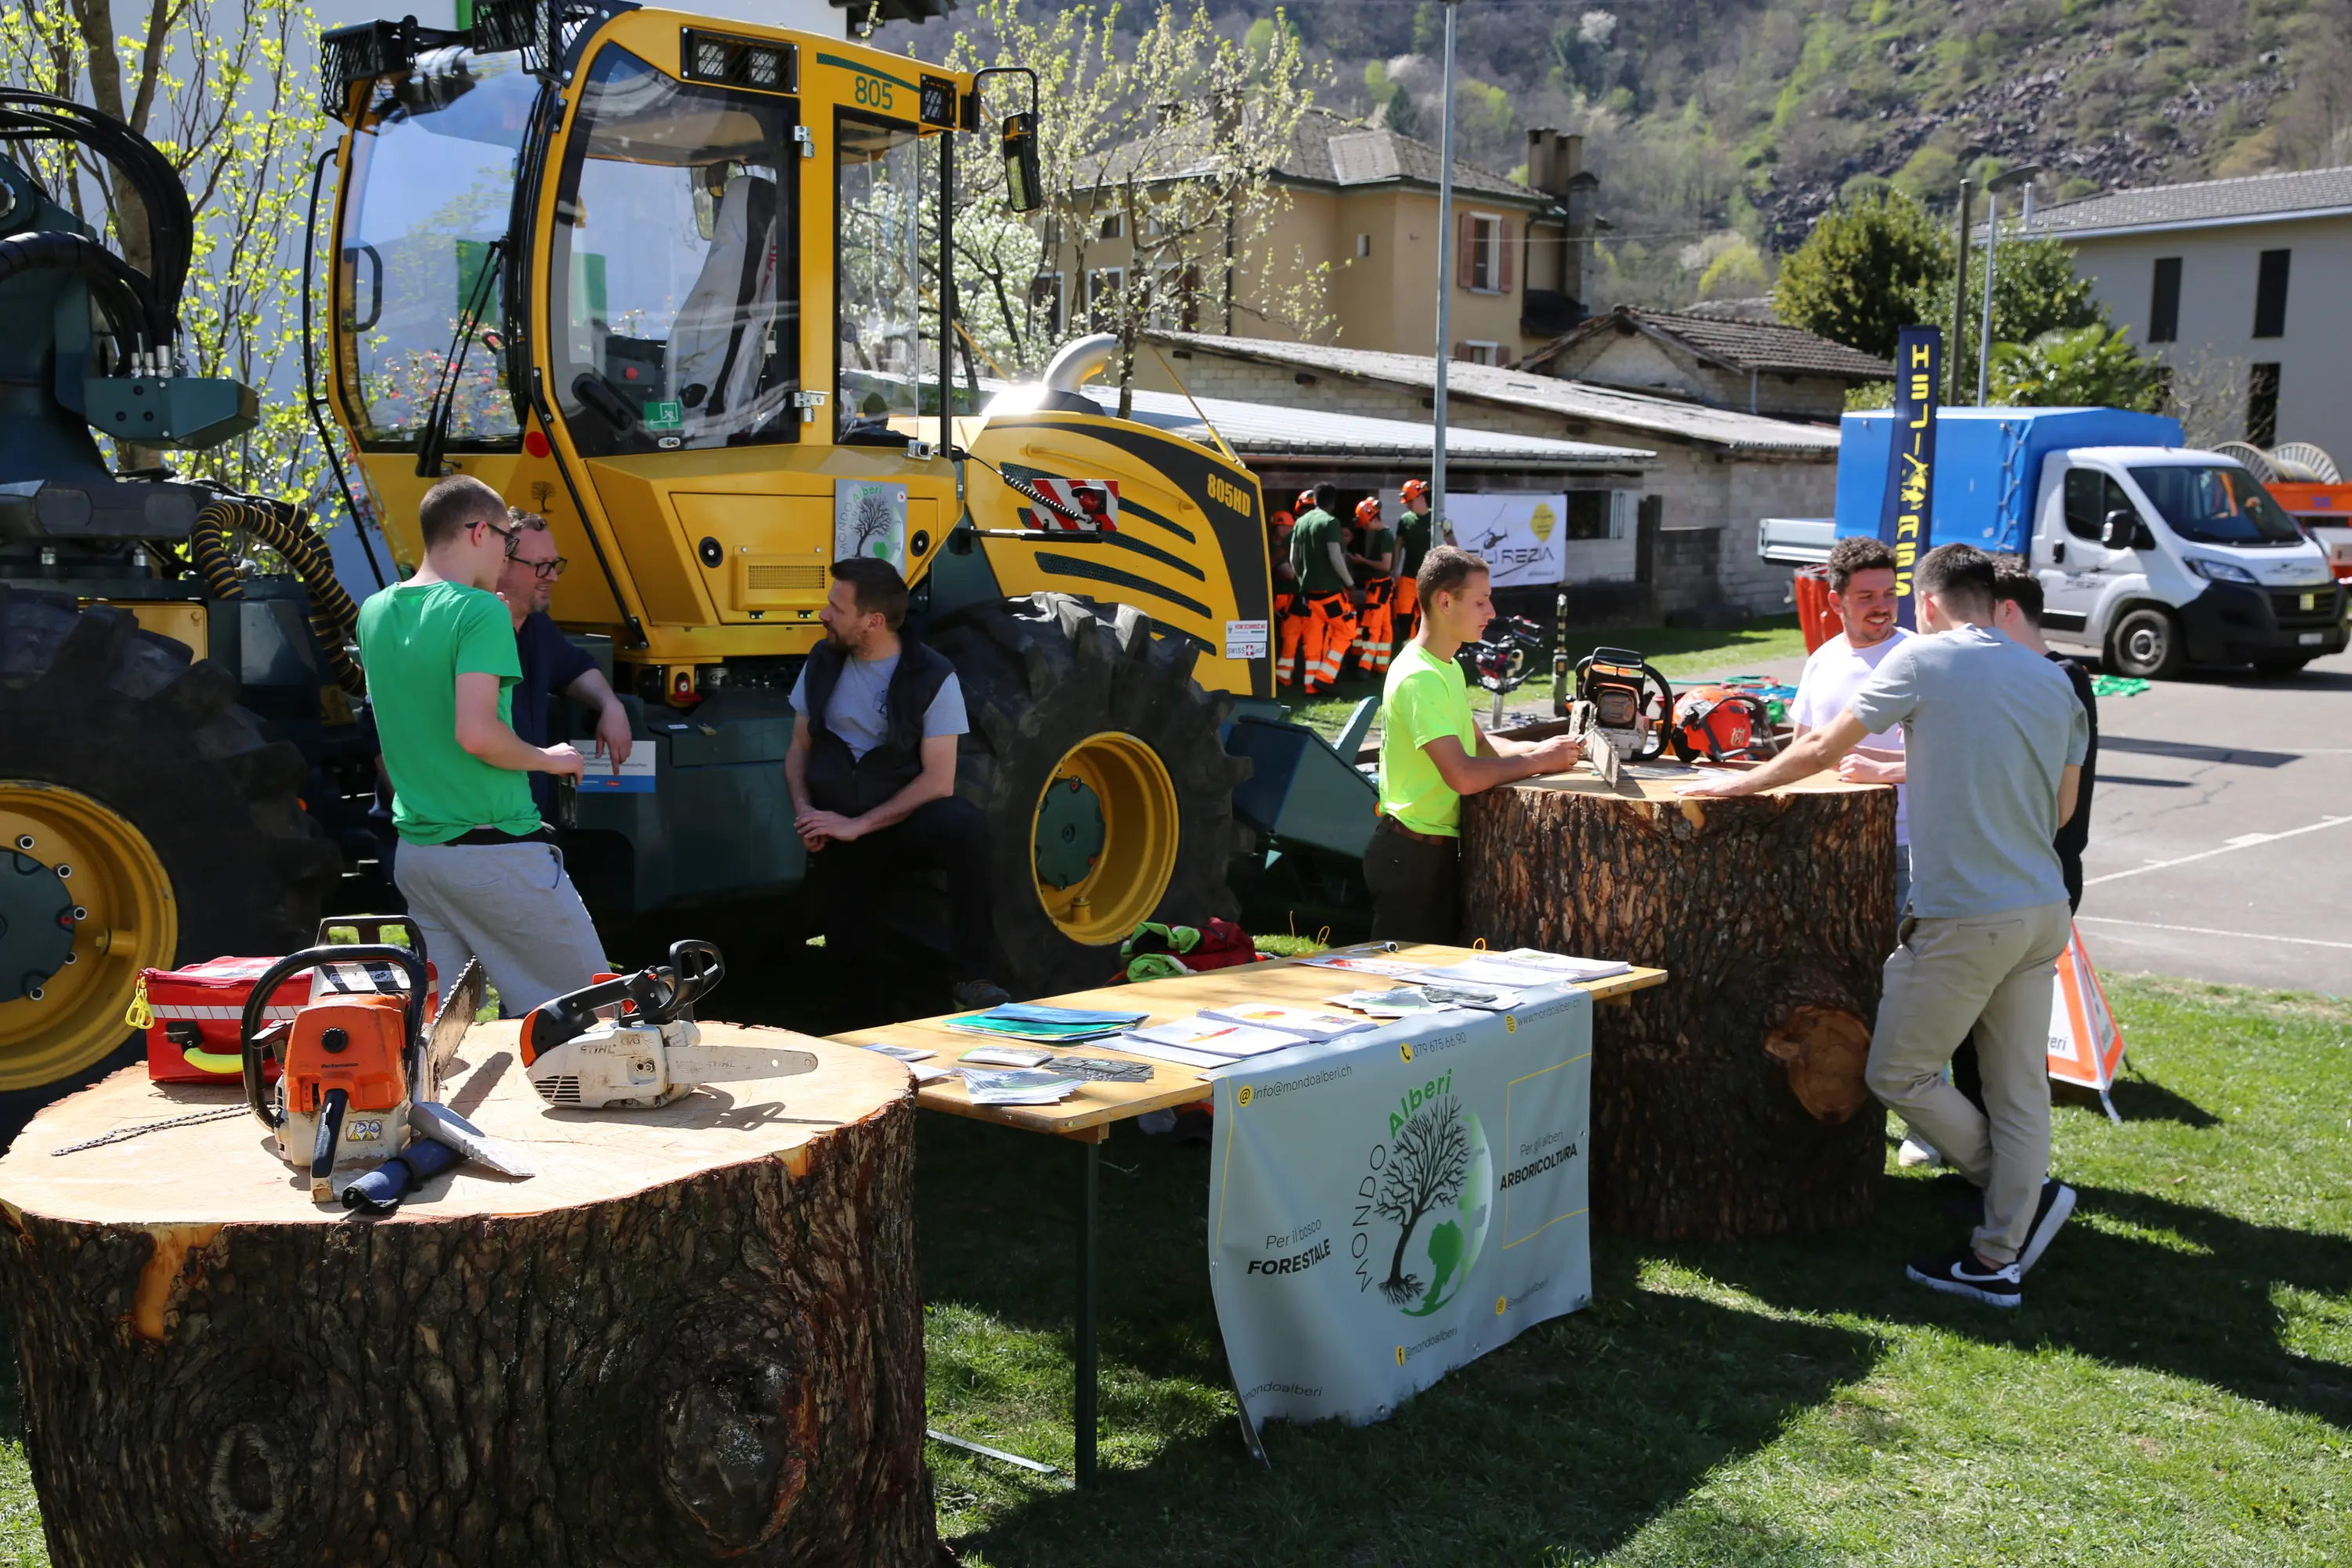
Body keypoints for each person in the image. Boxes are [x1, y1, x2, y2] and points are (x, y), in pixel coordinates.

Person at [1681, 543, 2087, 1308]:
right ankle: (2001, 1249)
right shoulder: (2053, 679)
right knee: (2019, 1089)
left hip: (1966, 913)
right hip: (2042, 909)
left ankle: (2013, 1203)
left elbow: (1820, 747)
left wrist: (1739, 784)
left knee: (1896, 1073)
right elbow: (2061, 811)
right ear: (1990, 600)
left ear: (1928, 604)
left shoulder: (1923, 662)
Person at [357, 474, 606, 1012]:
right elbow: (476, 733)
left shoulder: (374, 610)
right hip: (496, 853)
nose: (505, 552)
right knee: (595, 1018)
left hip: (419, 858)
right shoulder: (480, 611)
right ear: (476, 532)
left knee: (438, 1040)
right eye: (503, 539)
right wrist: (551, 759)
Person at [784, 557, 1010, 1014]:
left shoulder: (933, 674)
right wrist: (807, 812)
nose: (824, 615)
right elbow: (798, 750)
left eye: (836, 608)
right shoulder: (822, 661)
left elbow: (939, 779)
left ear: (873, 621)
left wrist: (860, 825)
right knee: (853, 966)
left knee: (964, 826)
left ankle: (972, 977)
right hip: (835, 821)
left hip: (897, 818)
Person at [1367, 546, 1582, 942]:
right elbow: (1463, 775)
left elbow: (1479, 745)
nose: (1492, 613)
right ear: (1445, 602)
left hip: (1429, 854)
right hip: (1412, 858)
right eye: (1481, 601)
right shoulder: (1420, 677)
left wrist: (1557, 750)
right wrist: (1539, 761)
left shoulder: (1444, 668)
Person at [1793, 537, 1914, 915]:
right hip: (1827, 841)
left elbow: (1954, 760)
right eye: (1866, 597)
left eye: (1889, 594)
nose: (1882, 607)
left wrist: (1874, 766)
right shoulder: (1821, 661)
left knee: (1901, 964)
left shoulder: (1919, 659)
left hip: (1905, 847)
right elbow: (1800, 751)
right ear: (1835, 602)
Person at [495, 509, 634, 818]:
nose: (553, 576)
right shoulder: (467, 631)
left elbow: (575, 668)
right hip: (471, 832)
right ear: (501, 563)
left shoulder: (537, 628)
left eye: (555, 565)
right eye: (541, 567)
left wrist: (610, 705)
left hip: (523, 826)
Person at [1287, 484, 1357, 696]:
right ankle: (1324, 679)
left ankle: (1311, 686)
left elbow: (1293, 559)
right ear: (1333, 502)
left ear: (1315, 499)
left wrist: (1302, 580)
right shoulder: (1330, 522)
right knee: (1347, 630)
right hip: (1330, 593)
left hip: (1308, 594)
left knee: (1314, 639)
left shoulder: (1300, 522)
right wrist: (1351, 584)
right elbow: (1336, 557)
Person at [1348, 495, 1399, 677]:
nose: (1365, 528)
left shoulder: (1384, 536)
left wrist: (1363, 561)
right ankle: (1381, 667)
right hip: (1382, 587)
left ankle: (1364, 668)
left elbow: (1386, 566)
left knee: (1372, 627)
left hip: (1379, 588)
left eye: (1366, 524)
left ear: (1374, 518)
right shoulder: (1382, 535)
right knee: (1385, 629)